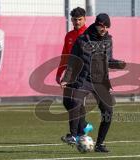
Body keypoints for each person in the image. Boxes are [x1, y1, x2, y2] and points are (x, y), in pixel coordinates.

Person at [61, 13, 126, 152]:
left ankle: (100, 144)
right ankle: (73, 135)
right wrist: (66, 79)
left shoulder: (108, 40)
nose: (105, 30)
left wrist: (118, 64)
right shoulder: (82, 40)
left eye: (107, 28)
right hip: (83, 79)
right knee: (75, 103)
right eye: (103, 27)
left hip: (101, 81)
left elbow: (108, 60)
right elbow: (72, 60)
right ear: (97, 25)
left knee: (108, 111)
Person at [56, 7, 93, 145]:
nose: (77, 22)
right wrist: (60, 72)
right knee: (67, 102)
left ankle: (74, 135)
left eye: (80, 19)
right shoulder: (69, 35)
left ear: (84, 19)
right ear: (71, 20)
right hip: (70, 74)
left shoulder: (90, 35)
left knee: (75, 103)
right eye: (75, 19)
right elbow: (65, 56)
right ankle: (84, 125)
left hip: (84, 75)